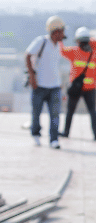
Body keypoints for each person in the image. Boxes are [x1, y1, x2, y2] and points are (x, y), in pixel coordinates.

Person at [25, 16, 66, 148]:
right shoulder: (41, 41)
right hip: (40, 86)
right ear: (56, 31)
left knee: (55, 115)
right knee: (36, 113)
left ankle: (54, 139)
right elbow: (28, 55)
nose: (63, 35)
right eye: (62, 31)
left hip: (55, 86)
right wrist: (32, 76)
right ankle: (36, 134)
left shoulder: (59, 45)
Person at [60, 27, 96, 141]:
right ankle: (95, 135)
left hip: (76, 87)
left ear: (78, 41)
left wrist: (61, 37)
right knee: (92, 112)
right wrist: (95, 45)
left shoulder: (74, 51)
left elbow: (61, 50)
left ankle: (66, 132)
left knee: (70, 112)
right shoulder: (94, 54)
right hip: (90, 88)